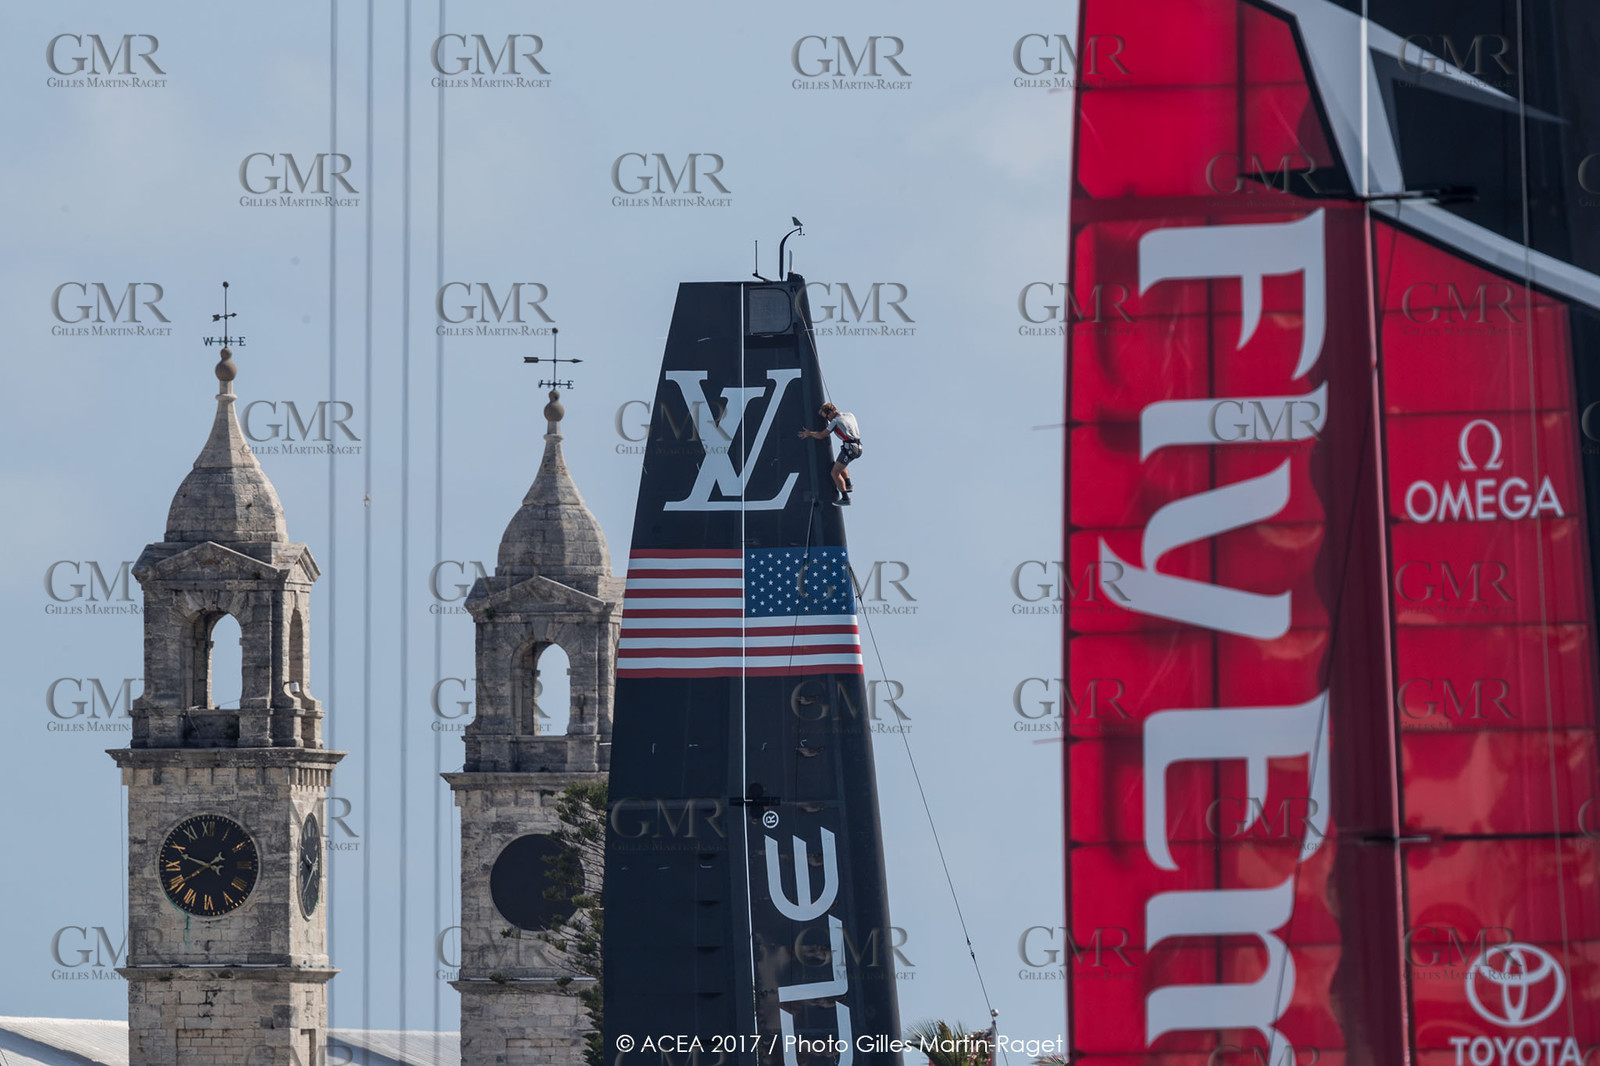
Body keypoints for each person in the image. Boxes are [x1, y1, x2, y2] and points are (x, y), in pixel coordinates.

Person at [798, 402, 860, 505]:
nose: (828, 419)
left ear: (831, 412)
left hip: (850, 449)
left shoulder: (835, 421)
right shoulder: (849, 414)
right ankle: (848, 484)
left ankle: (845, 498)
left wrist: (809, 433)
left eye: (827, 416)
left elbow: (822, 435)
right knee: (839, 464)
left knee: (834, 473)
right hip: (857, 447)